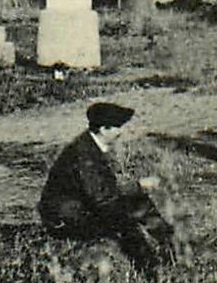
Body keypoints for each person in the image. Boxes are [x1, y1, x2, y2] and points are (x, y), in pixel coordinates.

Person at [39, 102, 175, 271]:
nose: (121, 132)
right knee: (126, 222)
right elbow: (103, 199)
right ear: (103, 129)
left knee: (137, 204)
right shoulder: (85, 155)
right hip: (67, 219)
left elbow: (100, 191)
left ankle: (170, 250)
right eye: (117, 127)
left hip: (75, 208)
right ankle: (152, 269)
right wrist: (139, 185)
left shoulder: (88, 144)